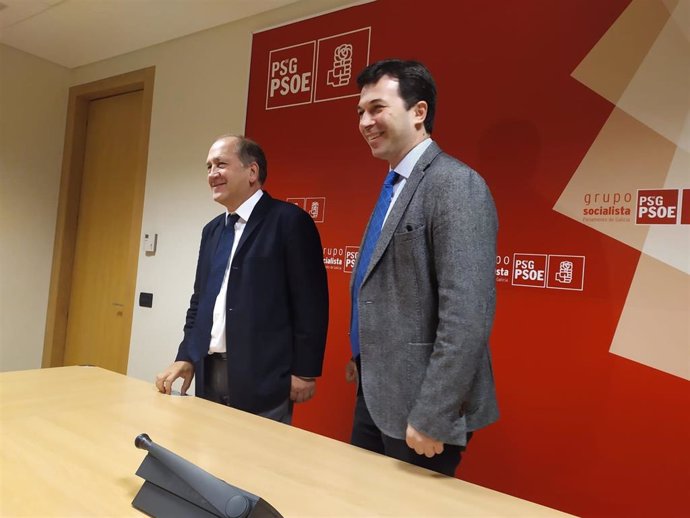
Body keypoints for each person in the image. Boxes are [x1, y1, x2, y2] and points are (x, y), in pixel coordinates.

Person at [347, 59, 499, 475]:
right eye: (360, 112)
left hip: (421, 405)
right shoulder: (394, 184)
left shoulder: (455, 184)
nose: (365, 121)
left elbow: (467, 315)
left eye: (377, 108)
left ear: (419, 112)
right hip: (377, 394)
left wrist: (435, 411)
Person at [156, 135, 328, 424]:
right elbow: (200, 301)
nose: (212, 174)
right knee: (207, 459)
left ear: (252, 172)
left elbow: (311, 303)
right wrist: (186, 355)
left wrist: (305, 371)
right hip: (209, 371)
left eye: (221, 164)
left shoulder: (288, 222)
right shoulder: (212, 231)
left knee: (253, 462)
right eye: (208, 167)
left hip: (265, 377)